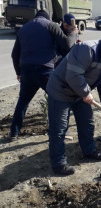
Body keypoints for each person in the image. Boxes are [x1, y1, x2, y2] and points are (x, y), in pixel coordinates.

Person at [46, 33, 101, 175]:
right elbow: (73, 75)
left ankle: (89, 151)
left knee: (87, 123)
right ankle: (58, 164)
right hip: (60, 91)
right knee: (59, 129)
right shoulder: (86, 49)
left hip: (80, 94)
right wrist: (86, 93)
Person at [10, 10, 78, 141]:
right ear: (48, 17)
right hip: (44, 71)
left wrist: (18, 72)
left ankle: (14, 132)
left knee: (22, 102)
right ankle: (61, 132)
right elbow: (67, 44)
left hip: (26, 71)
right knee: (59, 99)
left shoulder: (23, 29)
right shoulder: (51, 25)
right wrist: (73, 33)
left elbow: (14, 54)